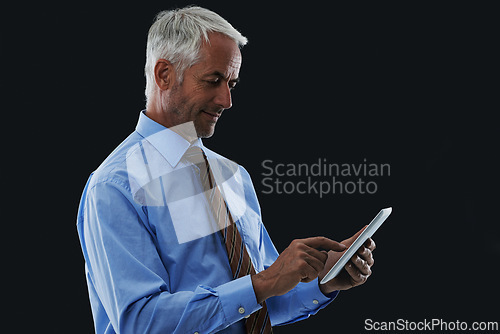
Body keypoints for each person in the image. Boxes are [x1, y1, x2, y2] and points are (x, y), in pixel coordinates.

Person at [77, 6, 376, 334]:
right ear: (164, 74)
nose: (226, 100)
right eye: (213, 80)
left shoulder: (233, 176)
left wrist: (324, 279)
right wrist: (264, 282)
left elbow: (258, 303)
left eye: (231, 82)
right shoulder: (115, 186)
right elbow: (141, 323)